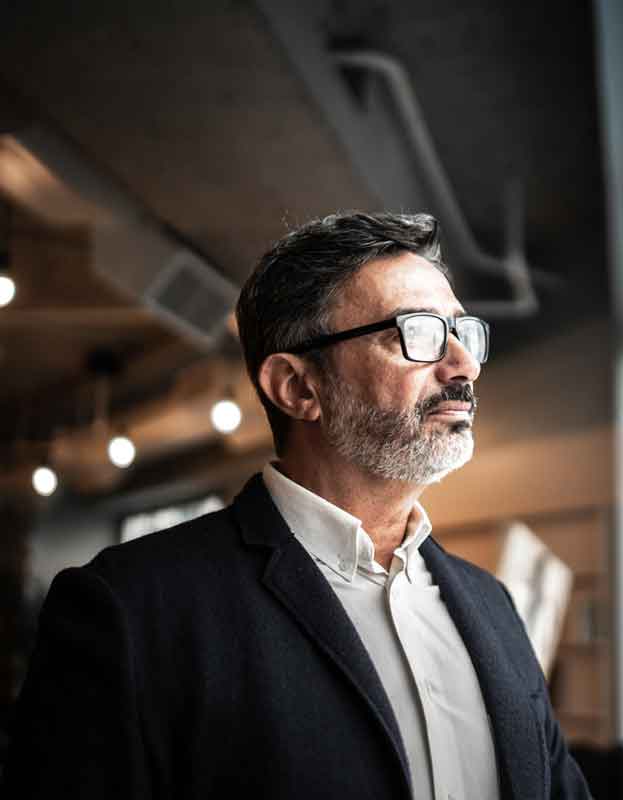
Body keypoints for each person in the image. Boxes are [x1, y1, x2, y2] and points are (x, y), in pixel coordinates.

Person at [3, 211, 592, 799]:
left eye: (463, 332)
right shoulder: (129, 612)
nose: (463, 363)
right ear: (297, 387)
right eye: (417, 333)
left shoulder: (493, 607)